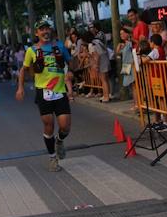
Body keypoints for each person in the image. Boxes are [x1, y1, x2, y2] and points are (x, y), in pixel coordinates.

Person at [17, 20, 73, 172]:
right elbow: (24, 69)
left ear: (51, 31)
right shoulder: (31, 50)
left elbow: (71, 62)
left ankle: (60, 141)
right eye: (42, 29)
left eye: (47, 28)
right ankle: (52, 157)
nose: (45, 31)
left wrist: (70, 71)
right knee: (49, 125)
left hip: (60, 90)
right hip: (43, 92)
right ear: (37, 33)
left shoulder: (59, 46)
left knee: (65, 125)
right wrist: (20, 87)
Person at [141, 33, 167, 130]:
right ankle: (157, 120)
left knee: (161, 100)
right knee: (156, 100)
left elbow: (145, 60)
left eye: (150, 42)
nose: (149, 43)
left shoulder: (156, 51)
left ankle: (166, 122)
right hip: (157, 78)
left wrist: (140, 57)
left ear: (153, 42)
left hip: (158, 78)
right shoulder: (159, 50)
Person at [83, 31, 111, 102]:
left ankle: (106, 97)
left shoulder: (91, 44)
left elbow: (96, 55)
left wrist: (96, 65)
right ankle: (107, 95)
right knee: (106, 79)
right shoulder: (97, 41)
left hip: (101, 62)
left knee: (103, 80)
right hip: (106, 59)